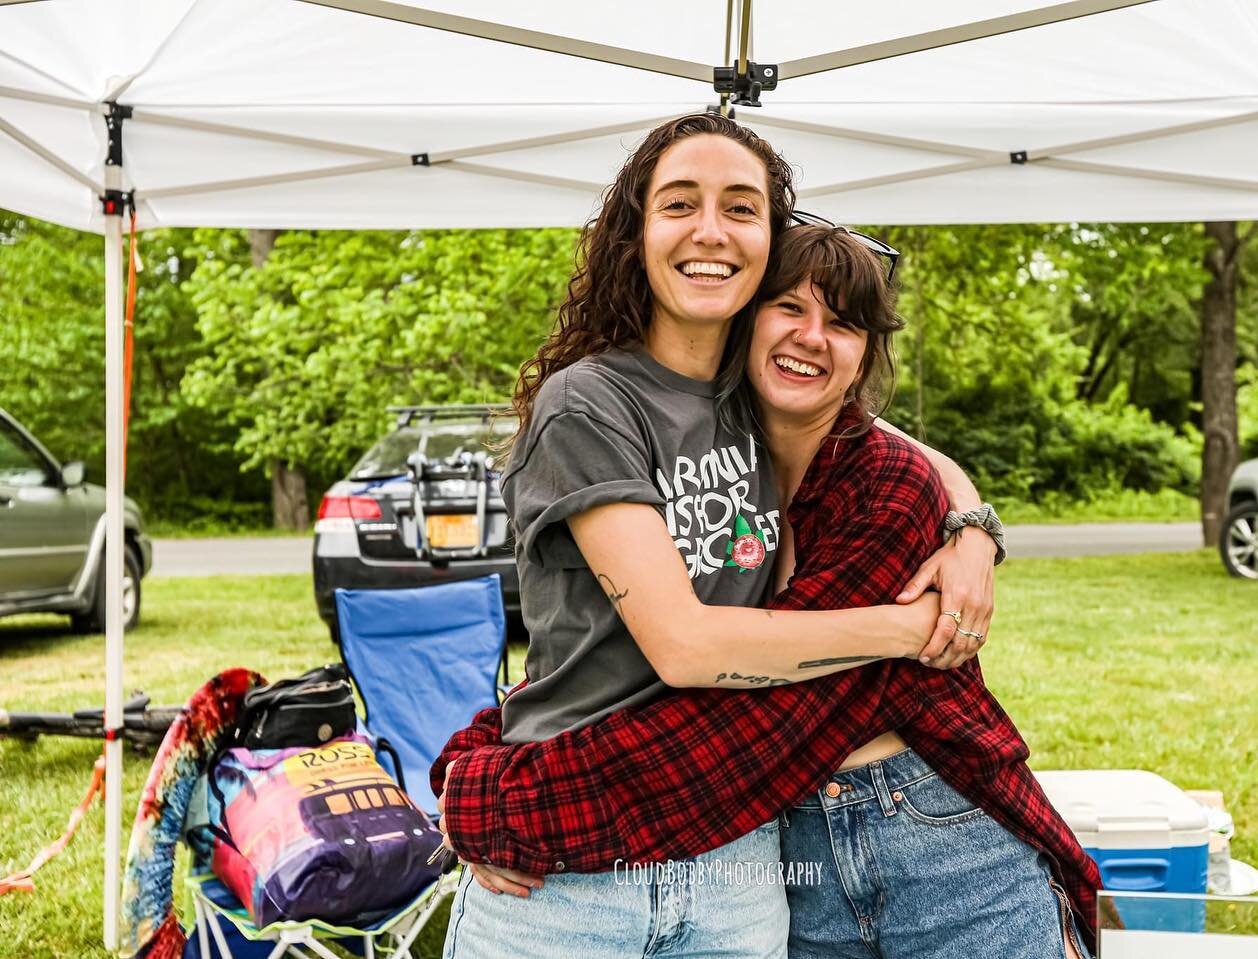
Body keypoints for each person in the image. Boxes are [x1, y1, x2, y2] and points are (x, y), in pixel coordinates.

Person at [436, 222, 1100, 958]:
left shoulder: (885, 489)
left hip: (938, 838)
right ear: (747, 321)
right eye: (789, 307)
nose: (813, 336)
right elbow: (603, 657)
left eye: (844, 323)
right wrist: (480, 747)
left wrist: (495, 798)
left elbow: (740, 724)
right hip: (788, 854)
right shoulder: (715, 456)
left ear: (865, 357)